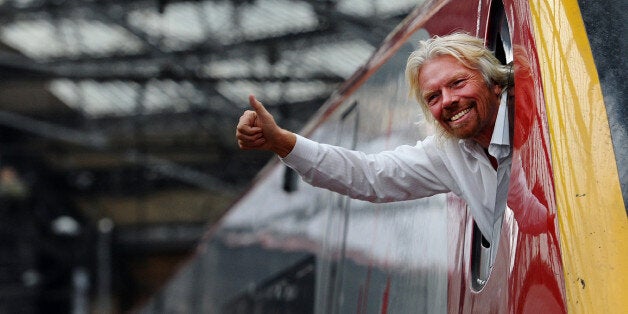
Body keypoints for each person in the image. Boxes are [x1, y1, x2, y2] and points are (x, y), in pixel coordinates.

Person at [236, 33, 514, 239]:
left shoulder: (540, 115)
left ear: (493, 82)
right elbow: (370, 175)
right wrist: (281, 142)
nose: (448, 101)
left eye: (458, 83)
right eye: (433, 97)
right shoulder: (448, 153)